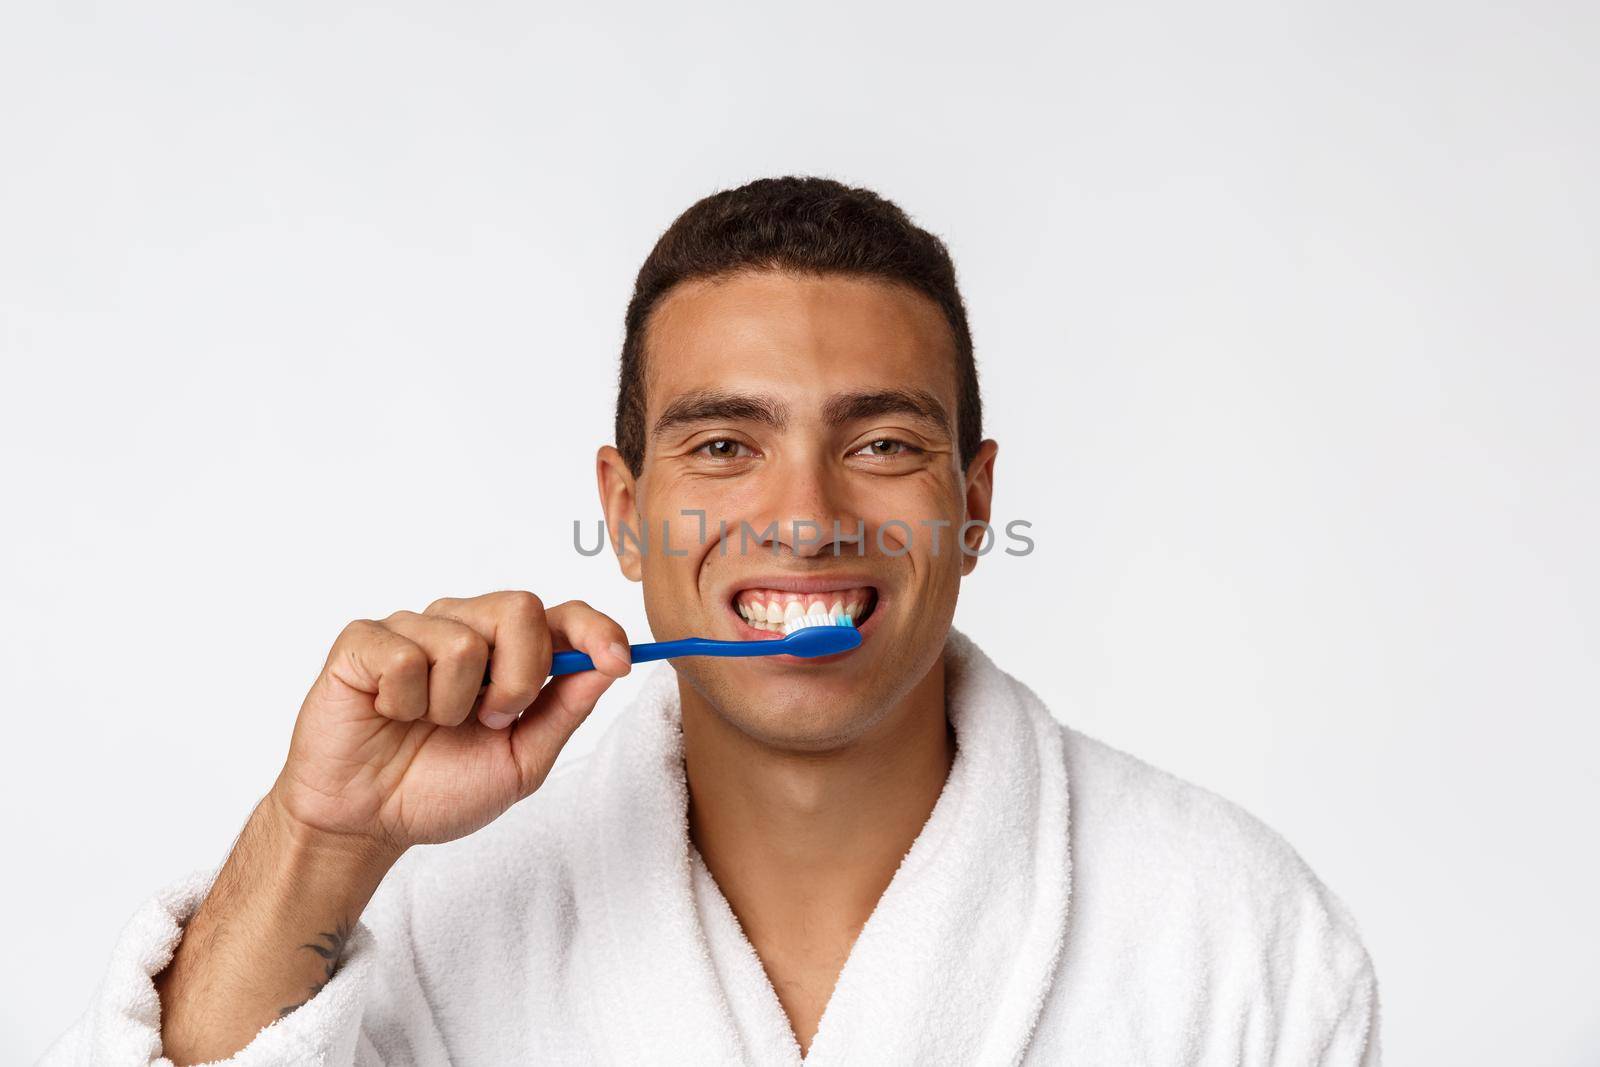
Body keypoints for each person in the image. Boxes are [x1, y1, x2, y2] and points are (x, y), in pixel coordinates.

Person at [46, 176, 1379, 1065]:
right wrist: (323, 835)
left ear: (975, 506)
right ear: (624, 510)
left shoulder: (1233, 931)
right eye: (726, 445)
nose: (805, 517)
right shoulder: (430, 918)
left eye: (884, 444)